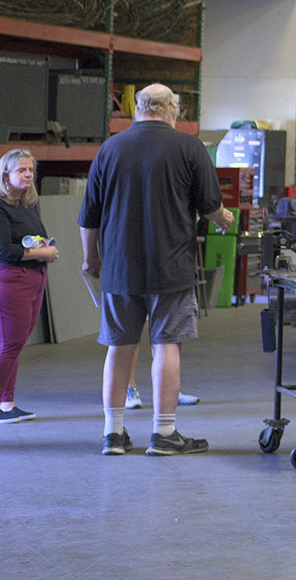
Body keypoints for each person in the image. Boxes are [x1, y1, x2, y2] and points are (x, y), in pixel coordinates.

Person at [80, 85, 229, 456]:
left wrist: (91, 259)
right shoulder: (189, 147)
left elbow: (89, 217)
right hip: (171, 268)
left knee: (119, 347)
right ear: (171, 109)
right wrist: (224, 218)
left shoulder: (109, 148)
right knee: (166, 345)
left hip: (119, 267)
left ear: (137, 108)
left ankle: (112, 434)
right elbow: (211, 207)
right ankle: (164, 433)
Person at [0, 147, 55, 423]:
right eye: (22, 170)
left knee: (15, 344)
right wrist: (41, 253)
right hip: (5, 279)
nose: (28, 174)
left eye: (31, 169)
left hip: (30, 278)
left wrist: (43, 246)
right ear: (5, 174)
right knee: (8, 344)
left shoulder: (25, 205)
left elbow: (33, 238)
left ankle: (7, 403)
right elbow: (0, 250)